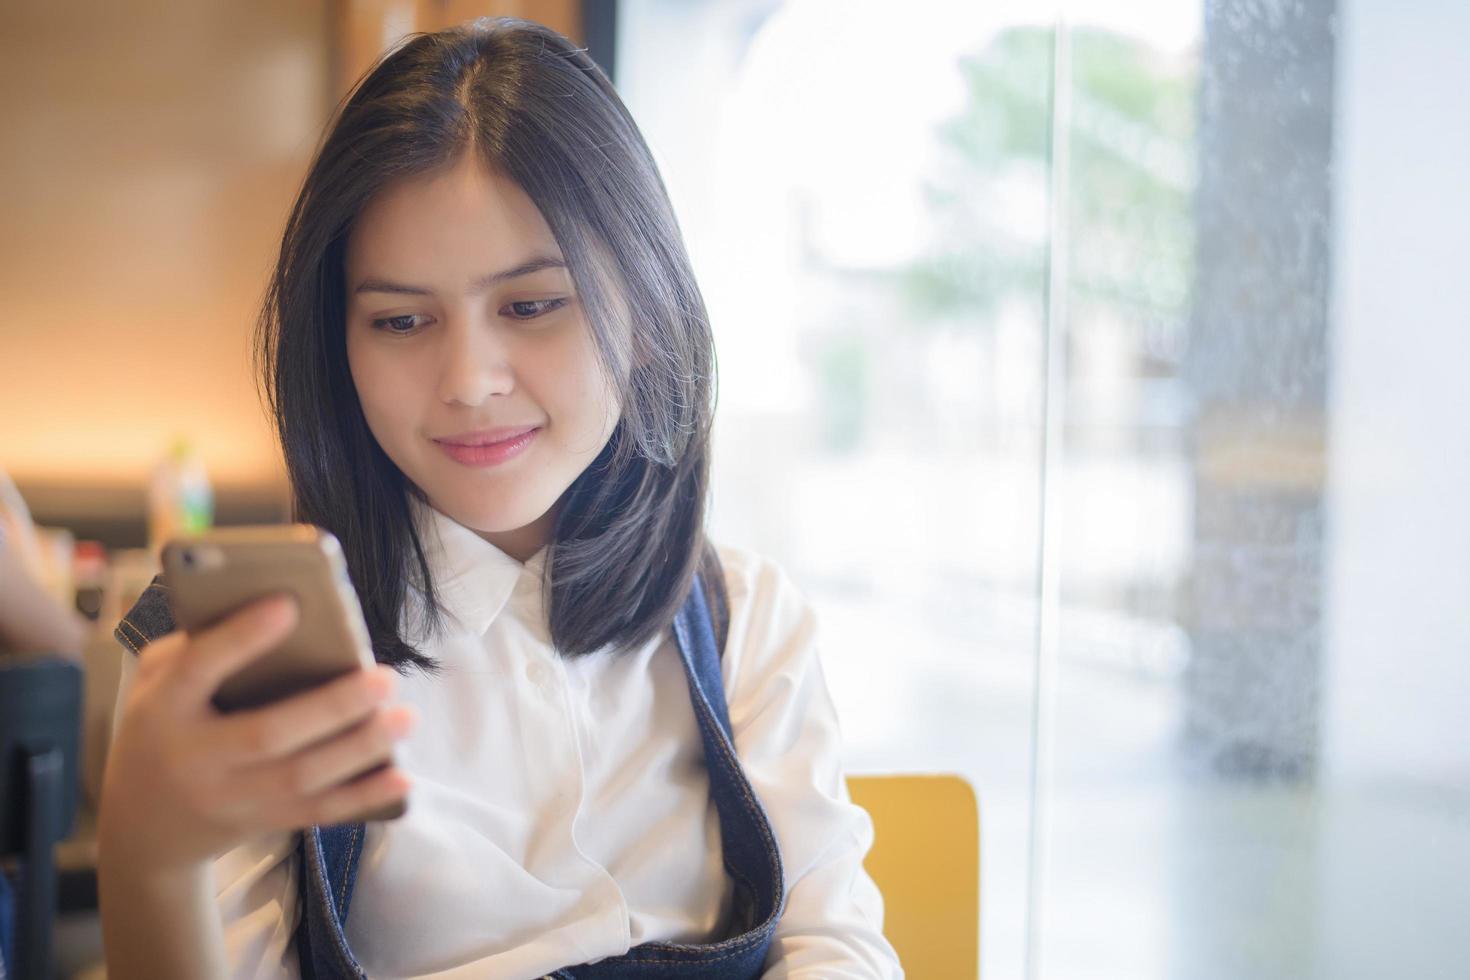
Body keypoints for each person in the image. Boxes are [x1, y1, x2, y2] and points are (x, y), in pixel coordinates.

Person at [97, 16, 901, 979]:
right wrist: (150, 859)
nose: (470, 378)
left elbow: (832, 949)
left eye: (531, 305)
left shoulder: (745, 624)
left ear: (643, 314)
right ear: (337, 350)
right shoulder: (250, 652)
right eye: (400, 320)